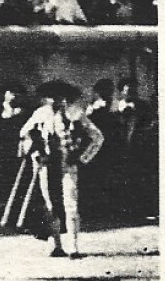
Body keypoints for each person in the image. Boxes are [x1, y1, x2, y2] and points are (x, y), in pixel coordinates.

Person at [19, 80, 106, 258]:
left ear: (66, 98)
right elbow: (24, 133)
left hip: (67, 163)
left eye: (60, 97)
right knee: (50, 204)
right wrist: (35, 152)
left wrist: (82, 158)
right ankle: (57, 245)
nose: (55, 101)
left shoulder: (75, 114)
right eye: (51, 97)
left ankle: (73, 247)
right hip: (45, 164)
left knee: (70, 204)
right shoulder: (40, 114)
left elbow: (97, 137)